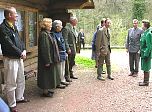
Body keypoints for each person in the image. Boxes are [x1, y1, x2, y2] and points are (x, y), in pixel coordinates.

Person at [0, 7, 29, 112]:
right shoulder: (3, 28)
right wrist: (20, 52)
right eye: (15, 13)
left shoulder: (13, 26)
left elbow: (20, 40)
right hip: (10, 59)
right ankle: (12, 105)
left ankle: (19, 97)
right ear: (9, 15)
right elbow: (9, 44)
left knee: (21, 78)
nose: (17, 15)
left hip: (19, 57)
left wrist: (24, 49)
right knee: (11, 82)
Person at [37, 18, 64, 98]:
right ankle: (45, 92)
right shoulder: (44, 34)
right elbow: (45, 48)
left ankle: (47, 90)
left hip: (49, 58)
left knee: (48, 75)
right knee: (45, 75)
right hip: (46, 59)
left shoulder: (47, 33)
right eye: (50, 23)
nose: (52, 25)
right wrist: (47, 60)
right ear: (46, 24)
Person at [52, 20, 70, 86]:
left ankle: (62, 80)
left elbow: (63, 43)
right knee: (58, 69)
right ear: (56, 27)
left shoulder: (60, 33)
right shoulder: (53, 34)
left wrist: (65, 51)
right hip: (58, 54)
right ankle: (59, 82)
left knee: (63, 68)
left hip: (63, 53)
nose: (61, 27)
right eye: (60, 25)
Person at [139, 20, 152, 86]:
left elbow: (149, 46)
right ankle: (145, 81)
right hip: (144, 53)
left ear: (145, 26)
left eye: (142, 25)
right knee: (145, 67)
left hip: (146, 54)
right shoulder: (145, 32)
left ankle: (146, 82)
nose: (141, 26)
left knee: (146, 67)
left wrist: (146, 54)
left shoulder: (148, 34)